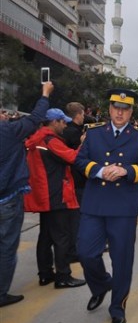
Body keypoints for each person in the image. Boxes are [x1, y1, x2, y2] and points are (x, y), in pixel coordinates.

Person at [75, 88, 138, 323]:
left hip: (123, 207)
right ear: (110, 109)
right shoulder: (93, 133)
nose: (120, 113)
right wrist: (100, 170)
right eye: (116, 108)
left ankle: (117, 305)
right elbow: (79, 161)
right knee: (85, 253)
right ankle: (101, 285)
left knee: (122, 259)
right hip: (95, 204)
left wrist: (126, 171)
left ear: (131, 112)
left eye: (125, 109)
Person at [0, 82, 54, 308]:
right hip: (8, 199)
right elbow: (35, 119)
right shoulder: (8, 132)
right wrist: (44, 93)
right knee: (6, 248)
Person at [24, 108, 86, 289]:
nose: (65, 125)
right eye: (63, 122)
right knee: (62, 236)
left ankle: (45, 273)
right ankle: (63, 276)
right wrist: (83, 145)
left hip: (45, 193)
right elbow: (73, 157)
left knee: (46, 236)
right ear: (54, 122)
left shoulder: (38, 139)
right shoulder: (51, 141)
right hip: (56, 193)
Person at [62, 102, 87, 263]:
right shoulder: (71, 133)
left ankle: (81, 246)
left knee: (82, 216)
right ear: (77, 114)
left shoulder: (76, 131)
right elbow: (74, 156)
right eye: (83, 114)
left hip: (80, 179)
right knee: (76, 218)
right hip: (75, 180)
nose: (84, 116)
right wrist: (83, 141)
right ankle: (74, 249)